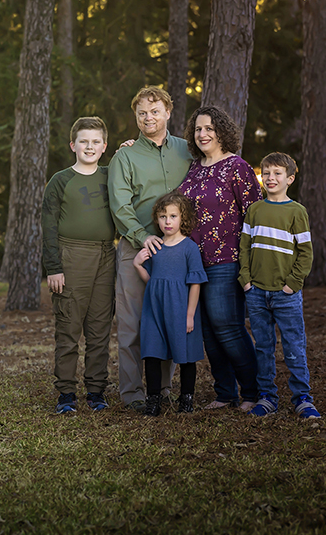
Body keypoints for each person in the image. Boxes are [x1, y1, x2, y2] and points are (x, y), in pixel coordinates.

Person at [108, 86, 192, 411]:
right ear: (136, 116)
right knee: (132, 324)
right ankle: (132, 393)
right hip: (136, 248)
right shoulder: (125, 156)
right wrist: (142, 236)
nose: (148, 117)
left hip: (175, 250)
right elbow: (119, 205)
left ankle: (165, 388)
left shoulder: (186, 150)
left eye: (155, 111)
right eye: (142, 112)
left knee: (170, 318)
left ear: (168, 112)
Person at [177, 106, 262, 411]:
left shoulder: (237, 168)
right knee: (209, 333)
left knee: (228, 326)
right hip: (194, 263)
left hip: (227, 259)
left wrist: (252, 263)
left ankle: (254, 392)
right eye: (199, 129)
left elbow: (255, 214)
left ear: (222, 132)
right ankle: (225, 393)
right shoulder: (193, 169)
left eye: (210, 128)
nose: (203, 134)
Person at [42, 116, 115, 414]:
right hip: (72, 256)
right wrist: (53, 266)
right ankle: (66, 394)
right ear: (73, 145)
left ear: (104, 146)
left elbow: (133, 170)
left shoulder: (112, 175)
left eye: (96, 141)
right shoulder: (60, 180)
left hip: (106, 256)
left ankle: (96, 391)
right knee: (69, 327)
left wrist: (130, 148)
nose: (90, 146)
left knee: (100, 328)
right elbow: (48, 227)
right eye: (84, 141)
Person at [239, 152, 320, 419]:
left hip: (286, 294)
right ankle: (266, 397)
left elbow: (305, 252)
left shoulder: (296, 212)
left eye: (277, 173)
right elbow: (244, 248)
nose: (270, 178)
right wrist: (246, 280)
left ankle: (302, 398)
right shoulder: (255, 210)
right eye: (266, 173)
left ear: (290, 178)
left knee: (294, 346)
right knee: (263, 347)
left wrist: (293, 284)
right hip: (257, 293)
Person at [133, 191, 207, 416]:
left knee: (185, 355)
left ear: (182, 219)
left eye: (173, 216)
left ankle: (186, 400)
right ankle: (153, 400)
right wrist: (138, 265)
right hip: (154, 309)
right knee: (152, 353)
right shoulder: (156, 246)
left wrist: (189, 314)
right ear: (157, 219)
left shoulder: (189, 247)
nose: (168, 221)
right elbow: (153, 280)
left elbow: (195, 283)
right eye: (163, 216)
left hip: (180, 308)